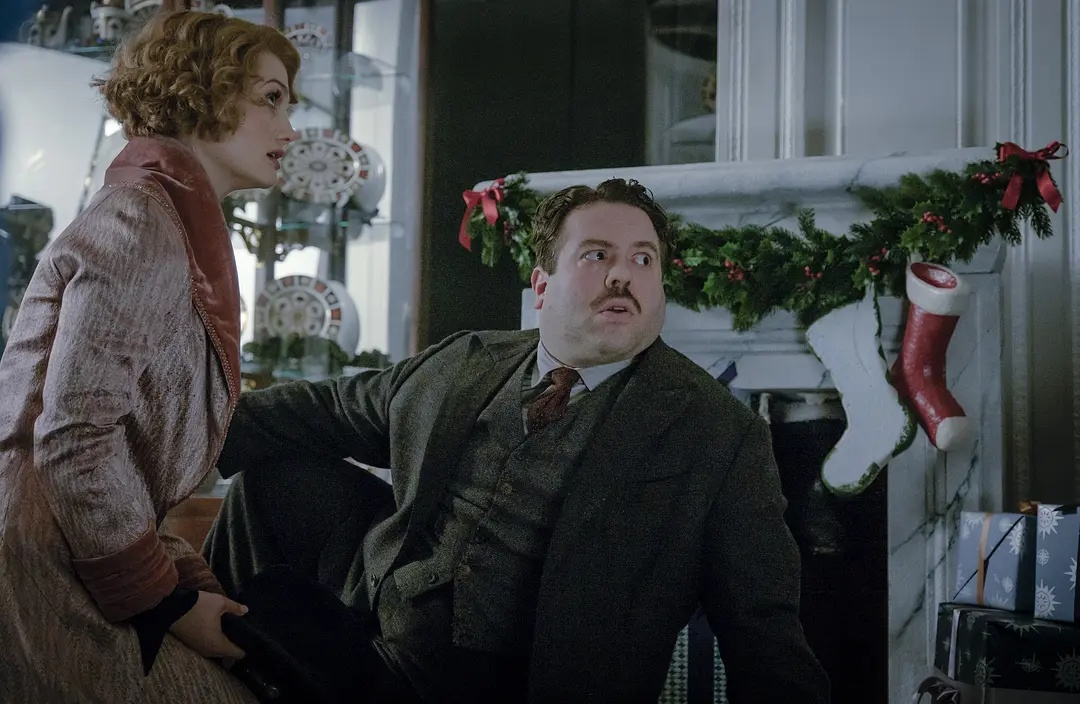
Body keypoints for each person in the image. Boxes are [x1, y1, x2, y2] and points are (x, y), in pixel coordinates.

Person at [206, 177, 831, 703]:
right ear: (541, 286)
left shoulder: (718, 433)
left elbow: (762, 628)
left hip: (515, 685)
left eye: (644, 260)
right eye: (597, 255)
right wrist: (169, 439)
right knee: (271, 481)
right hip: (374, 631)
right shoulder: (467, 361)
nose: (624, 275)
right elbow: (322, 409)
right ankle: (203, 657)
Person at [0, 10, 300, 702]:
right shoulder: (141, 221)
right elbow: (75, 437)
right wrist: (163, 602)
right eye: (271, 99)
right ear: (203, 91)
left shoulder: (161, 216)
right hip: (48, 573)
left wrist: (182, 581)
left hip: (70, 554)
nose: (289, 130)